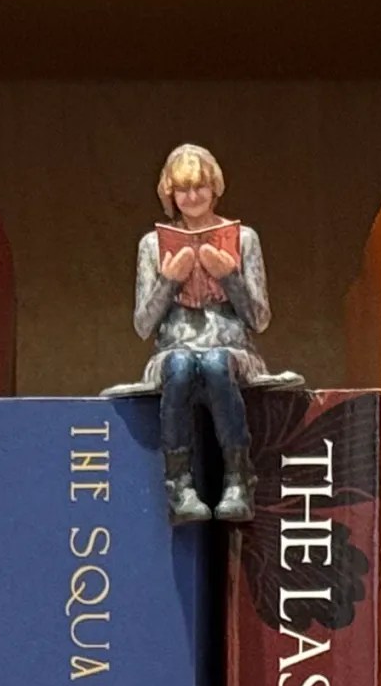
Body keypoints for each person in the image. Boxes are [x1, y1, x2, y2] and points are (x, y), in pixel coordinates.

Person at [103, 143, 302, 522]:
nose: (192, 197)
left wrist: (229, 276)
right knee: (180, 366)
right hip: (173, 347)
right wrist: (168, 280)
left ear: (214, 188)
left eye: (200, 187)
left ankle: (238, 479)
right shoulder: (152, 245)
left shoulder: (245, 239)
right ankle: (179, 484)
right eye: (182, 189)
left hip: (231, 348)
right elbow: (143, 324)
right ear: (169, 194)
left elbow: (259, 318)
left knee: (214, 363)